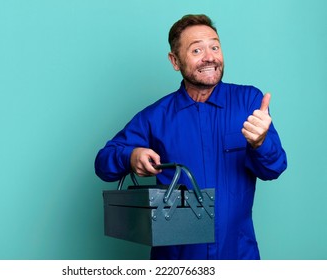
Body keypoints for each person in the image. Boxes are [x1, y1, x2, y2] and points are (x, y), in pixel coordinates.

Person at [94, 14, 287, 260]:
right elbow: (103, 164)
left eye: (215, 47)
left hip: (238, 257)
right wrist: (130, 156)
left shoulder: (249, 102)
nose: (210, 56)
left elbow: (275, 168)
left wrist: (260, 143)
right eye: (197, 50)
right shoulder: (156, 116)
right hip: (176, 261)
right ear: (175, 61)